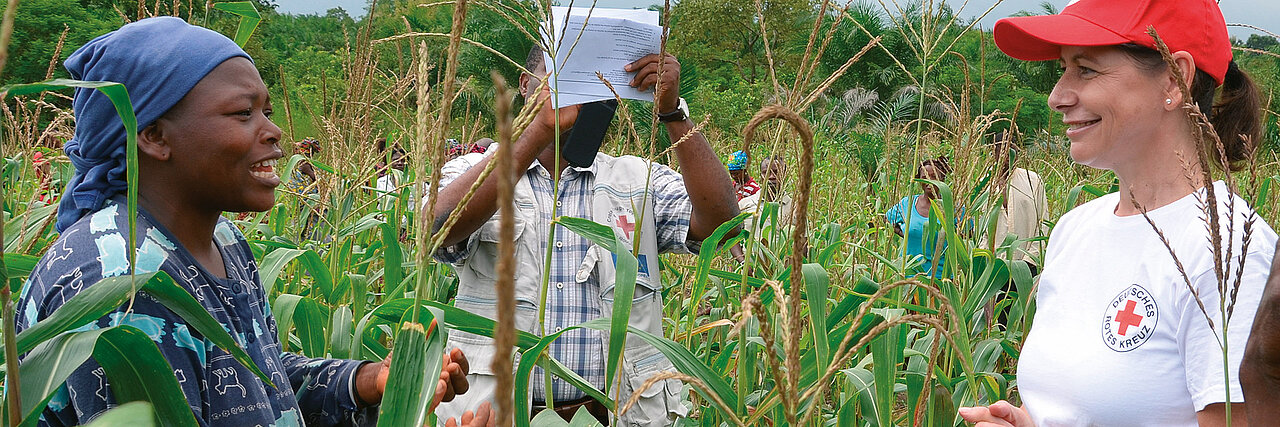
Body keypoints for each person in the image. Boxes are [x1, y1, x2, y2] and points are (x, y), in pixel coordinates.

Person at [15, 17, 483, 426]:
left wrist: (366, 382)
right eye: (242, 113)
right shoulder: (128, 284)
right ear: (154, 135)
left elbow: (258, 383)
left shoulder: (222, 240)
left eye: (267, 111)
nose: (275, 131)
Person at [959, 0, 1278, 425]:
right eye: (1063, 69)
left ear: (1173, 78)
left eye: (1086, 69)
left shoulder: (1230, 254)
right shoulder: (1076, 229)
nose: (1057, 97)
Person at [430, 44, 738, 424]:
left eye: (585, 72)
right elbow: (437, 230)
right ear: (525, 84)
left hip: (618, 414)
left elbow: (722, 227)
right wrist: (538, 131)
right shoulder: (475, 170)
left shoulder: (637, 180)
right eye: (558, 71)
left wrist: (673, 113)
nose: (571, 84)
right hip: (496, 415)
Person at [884, 157, 955, 278]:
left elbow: (968, 232)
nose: (929, 181)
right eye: (924, 177)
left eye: (934, 176)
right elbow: (887, 219)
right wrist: (904, 233)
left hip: (939, 277)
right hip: (908, 275)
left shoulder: (951, 207)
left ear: (942, 178)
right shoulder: (908, 202)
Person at [990, 132, 1048, 271]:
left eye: (1013, 151)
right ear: (994, 152)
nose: (1008, 157)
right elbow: (981, 228)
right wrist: (986, 258)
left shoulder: (1033, 180)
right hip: (993, 266)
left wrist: (1030, 259)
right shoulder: (985, 185)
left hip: (1026, 265)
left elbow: (1043, 222)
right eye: (1003, 151)